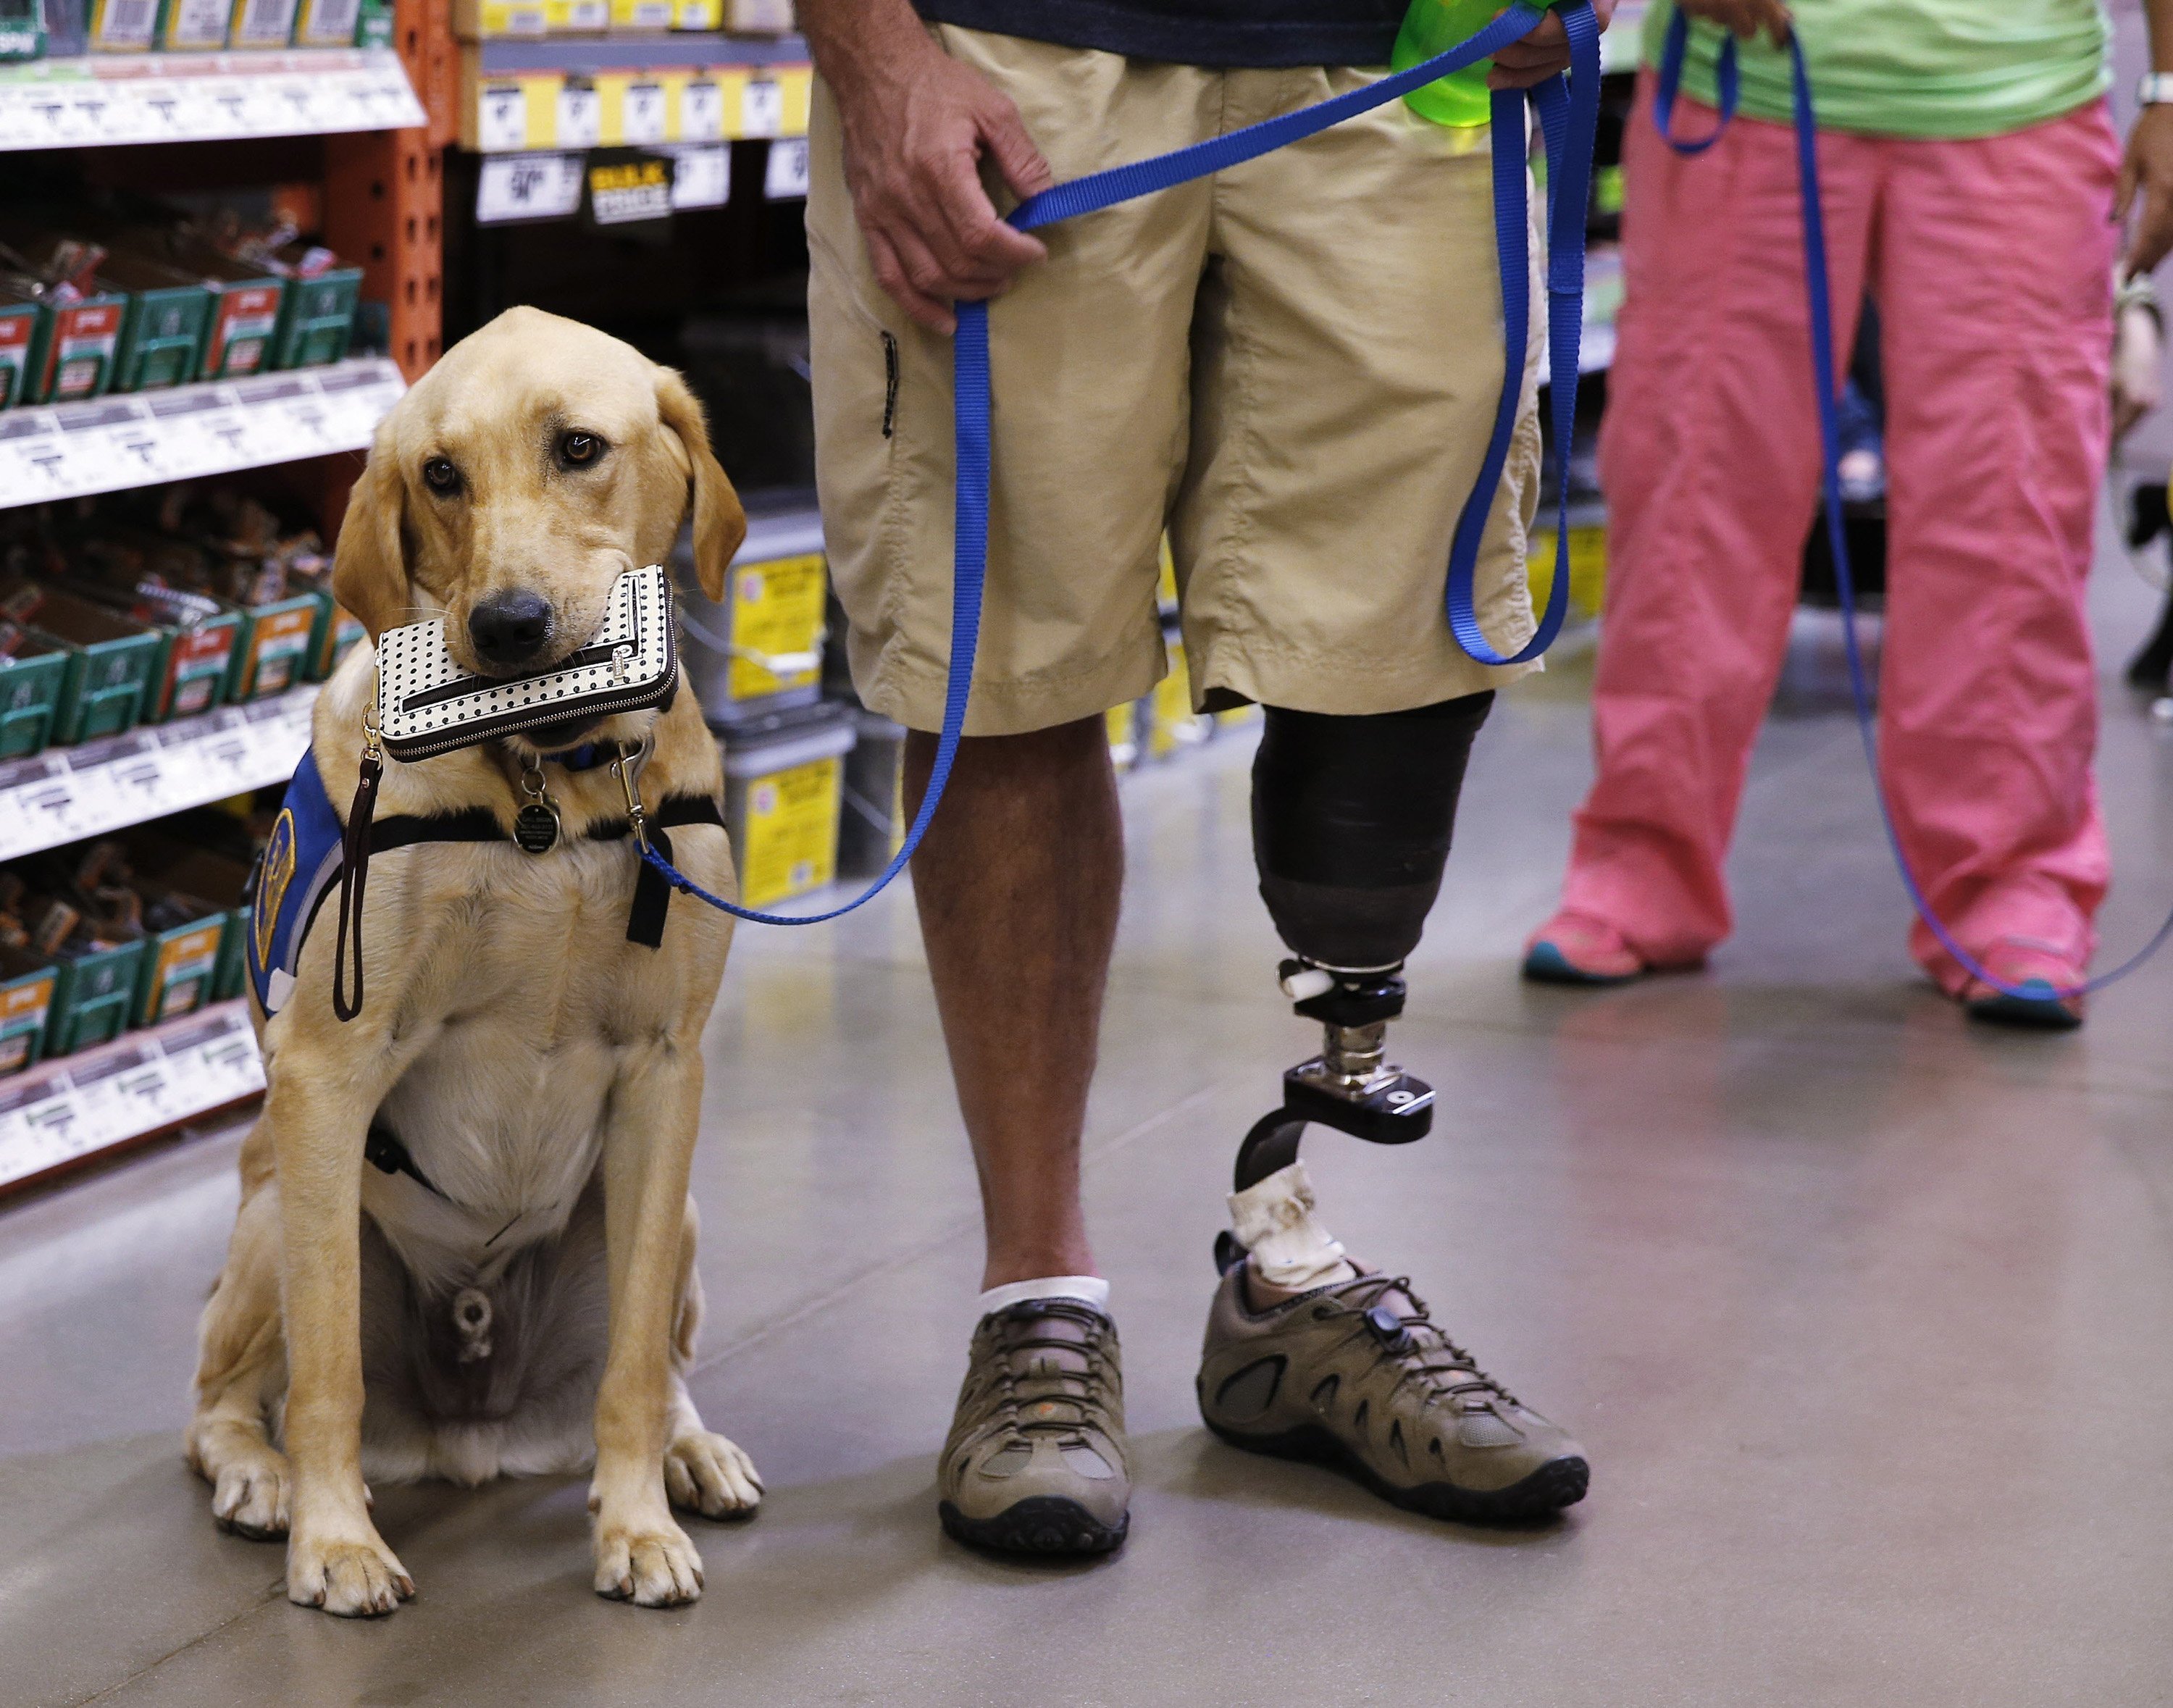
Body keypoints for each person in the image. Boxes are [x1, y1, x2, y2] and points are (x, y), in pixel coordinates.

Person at [797, 0, 1609, 1553]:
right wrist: (876, 55)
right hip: (1016, 57)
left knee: (1397, 654)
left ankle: (1290, 1285)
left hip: (1403, 57)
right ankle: (1038, 1300)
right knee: (1011, 665)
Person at [1523, 0, 2173, 1030]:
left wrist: (2169, 90)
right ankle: (1642, 855)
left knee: (2006, 517)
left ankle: (2013, 879)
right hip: (1741, 89)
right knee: (1692, 492)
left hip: (2013, 102)